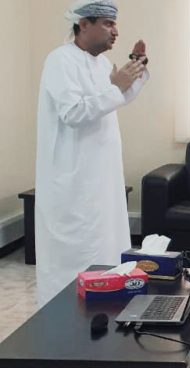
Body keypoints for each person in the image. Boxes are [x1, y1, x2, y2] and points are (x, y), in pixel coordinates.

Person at [35, 0, 149, 306]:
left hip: (102, 179)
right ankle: (62, 318)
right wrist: (115, 87)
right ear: (83, 24)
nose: (116, 31)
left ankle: (106, 306)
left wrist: (136, 70)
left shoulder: (101, 64)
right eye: (108, 24)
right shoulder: (60, 60)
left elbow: (114, 99)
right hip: (73, 181)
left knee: (106, 248)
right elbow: (73, 112)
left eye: (115, 24)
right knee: (74, 258)